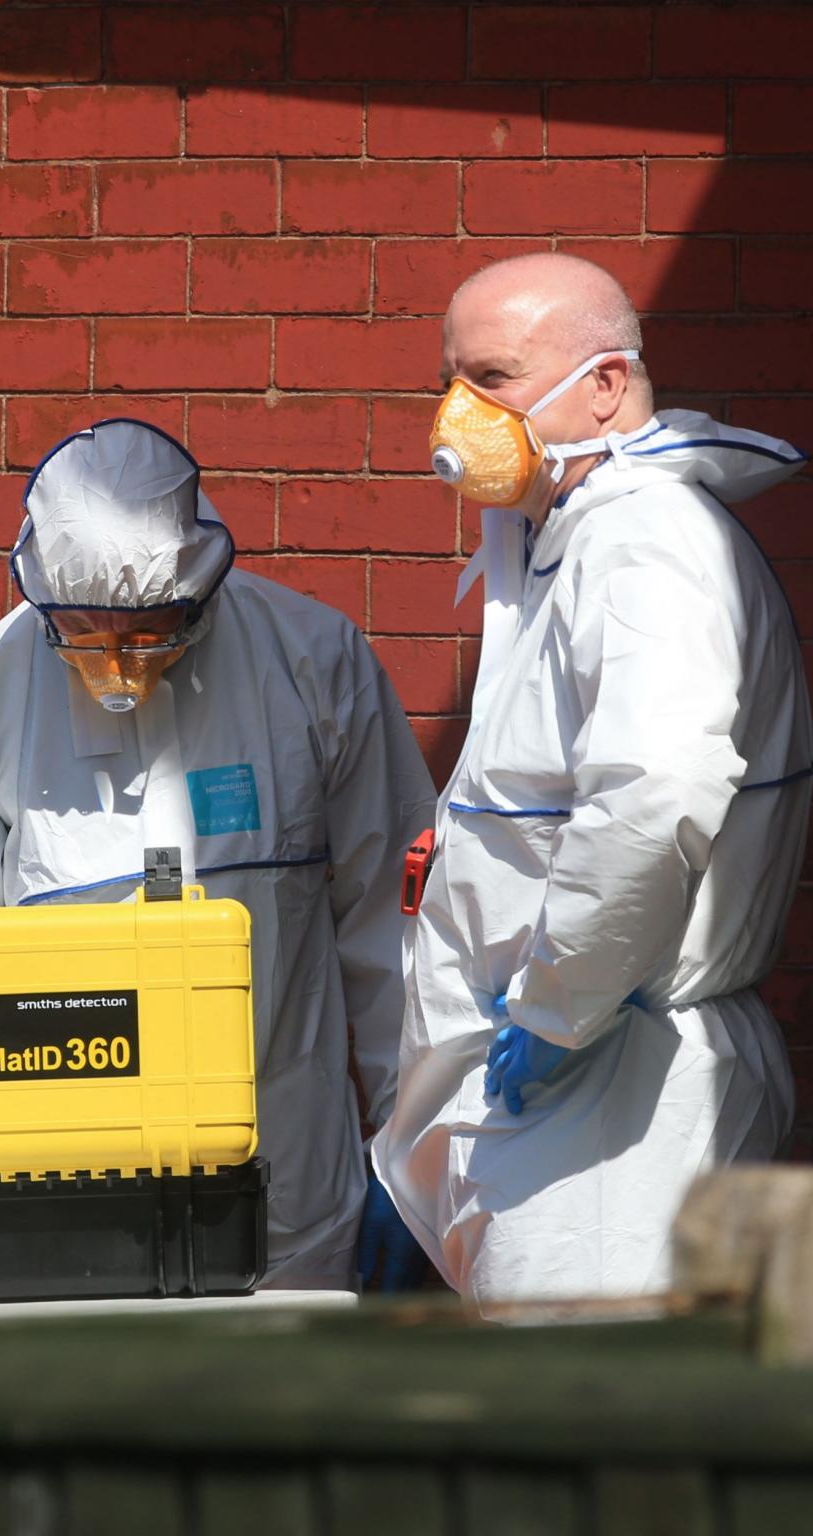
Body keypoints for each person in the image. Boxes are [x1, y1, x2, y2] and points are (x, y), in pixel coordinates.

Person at [0, 418, 436, 1292]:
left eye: (150, 628)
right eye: (82, 632)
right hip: (64, 1205)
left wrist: (414, 1154)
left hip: (290, 1182)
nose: (118, 660)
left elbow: (394, 932)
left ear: (202, 589)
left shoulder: (312, 663)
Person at [373, 252, 812, 1307]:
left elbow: (656, 792)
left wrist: (558, 1012)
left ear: (605, 386)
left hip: (613, 1095)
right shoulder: (564, 537)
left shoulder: (647, 545)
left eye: (494, 377)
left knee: (588, 1428)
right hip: (564, 1087)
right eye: (453, 377)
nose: (458, 412)